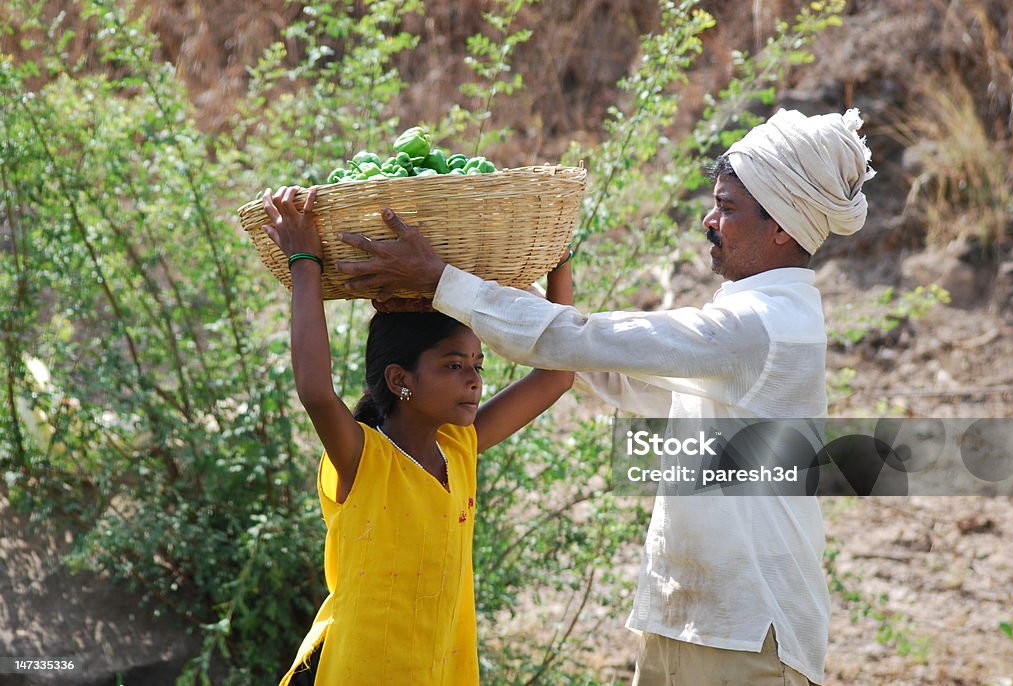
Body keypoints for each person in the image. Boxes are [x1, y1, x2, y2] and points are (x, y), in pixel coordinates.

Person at [331, 108, 875, 685]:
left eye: (729, 207)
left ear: (783, 227)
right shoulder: (750, 318)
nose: (710, 221)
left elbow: (588, 341)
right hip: (695, 620)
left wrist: (448, 282)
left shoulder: (763, 326)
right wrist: (508, 291)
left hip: (749, 630)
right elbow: (606, 366)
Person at [261, 186, 575, 686]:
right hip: (361, 669)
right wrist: (305, 262)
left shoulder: (458, 449)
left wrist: (559, 259)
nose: (474, 380)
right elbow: (316, 390)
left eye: (477, 364)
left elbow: (557, 376)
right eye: (453, 365)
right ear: (400, 379)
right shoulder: (365, 458)